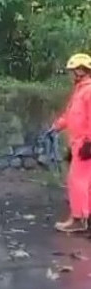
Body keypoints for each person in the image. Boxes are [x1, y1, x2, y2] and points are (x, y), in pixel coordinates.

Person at [51, 53, 91, 233]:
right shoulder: (80, 91)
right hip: (77, 142)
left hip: (85, 143)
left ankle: (79, 219)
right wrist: (56, 127)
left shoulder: (89, 91)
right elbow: (71, 115)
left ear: (81, 71)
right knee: (83, 181)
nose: (70, 75)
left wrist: (89, 143)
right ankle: (84, 217)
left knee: (77, 181)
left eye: (72, 71)